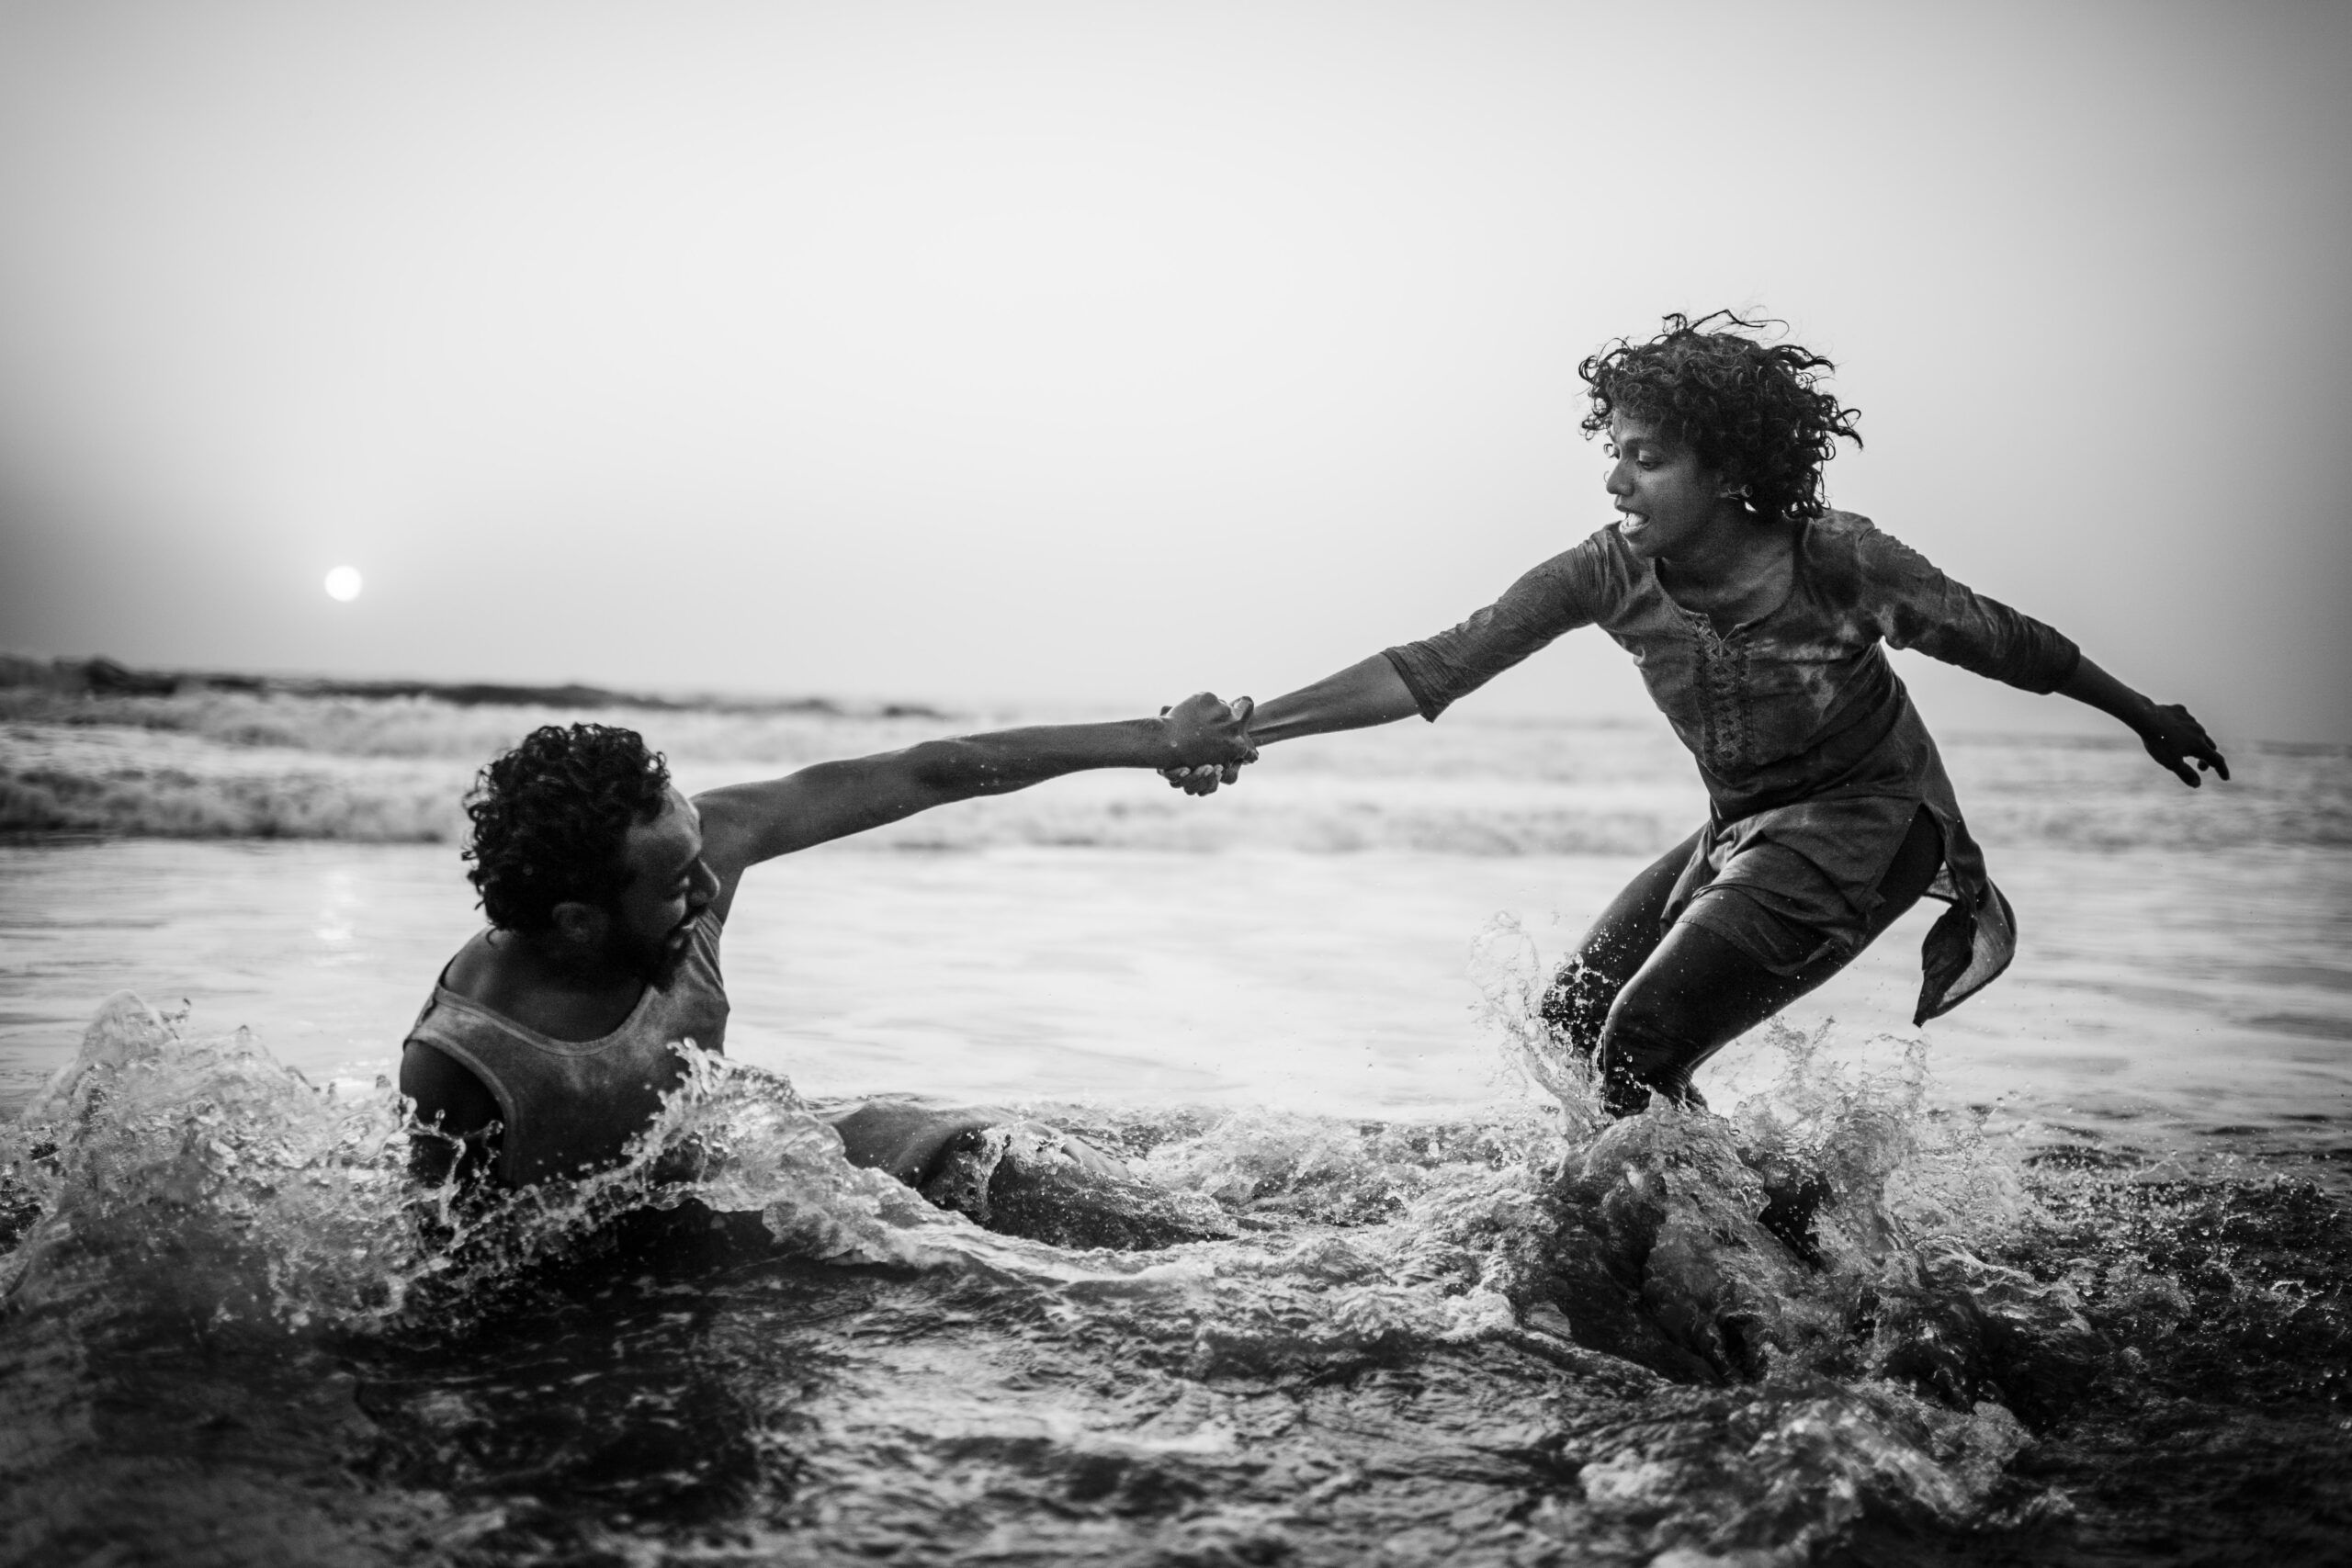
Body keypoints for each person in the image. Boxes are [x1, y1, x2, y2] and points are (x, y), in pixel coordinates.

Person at [1167, 312, 2226, 1116]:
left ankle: (1735, 1261)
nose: (1615, 479)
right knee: (1573, 1020)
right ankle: (1747, 1215)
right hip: (1741, 828)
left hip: (1870, 824)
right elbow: (1434, 667)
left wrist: (2143, 714)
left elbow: (2004, 640)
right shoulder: (1604, 572)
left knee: (1639, 1045)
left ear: (1727, 471)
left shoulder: (1838, 559)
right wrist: (1250, 729)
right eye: (1616, 450)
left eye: (1647, 457)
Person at [400, 696, 1255, 1216]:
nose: (710, 887)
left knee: (998, 1161)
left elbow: (928, 772)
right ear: (579, 922)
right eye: (678, 883)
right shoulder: (470, 1060)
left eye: (700, 852)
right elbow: (448, 1273)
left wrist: (1155, 739)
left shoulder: (691, 852)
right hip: (621, 1244)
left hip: (720, 1159)